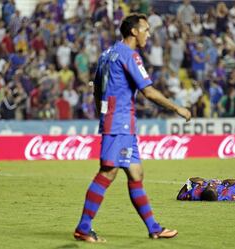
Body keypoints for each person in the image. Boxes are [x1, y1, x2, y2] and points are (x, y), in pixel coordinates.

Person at [74, 13, 192, 243]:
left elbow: (97, 89)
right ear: (134, 31)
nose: (149, 33)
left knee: (136, 173)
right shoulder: (130, 56)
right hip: (119, 123)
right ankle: (83, 228)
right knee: (107, 172)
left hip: (118, 122)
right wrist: (177, 108)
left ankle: (154, 228)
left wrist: (103, 113)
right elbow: (148, 91)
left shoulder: (107, 54)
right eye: (146, 29)